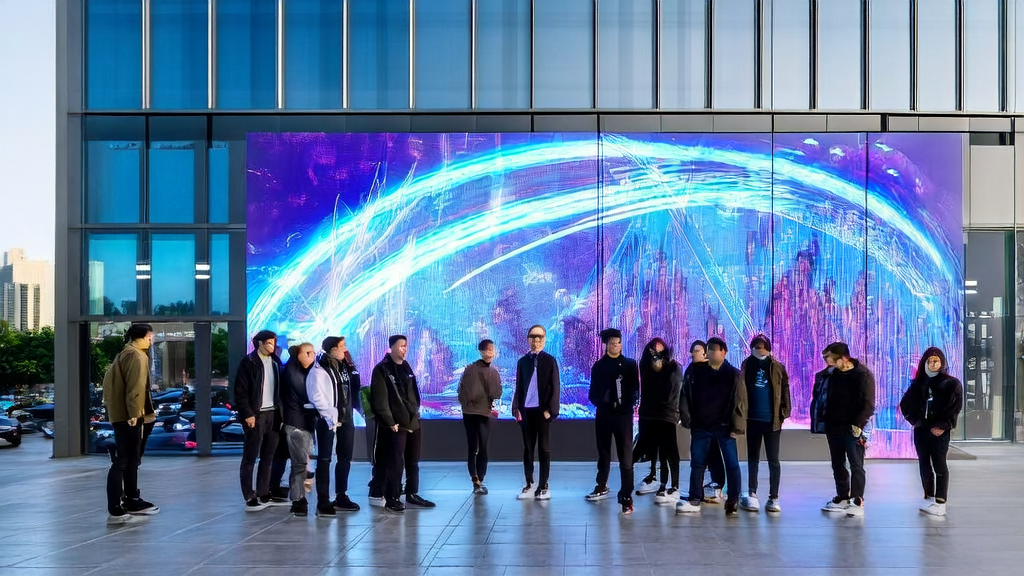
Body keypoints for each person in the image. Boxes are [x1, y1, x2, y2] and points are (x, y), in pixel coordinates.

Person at [677, 337, 746, 516]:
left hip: (724, 427)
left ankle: (733, 499)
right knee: (697, 463)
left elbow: (740, 403)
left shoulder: (733, 374)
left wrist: (736, 427)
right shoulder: (697, 371)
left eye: (715, 349)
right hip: (701, 425)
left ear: (724, 352)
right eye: (709, 349)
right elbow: (686, 394)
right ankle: (695, 498)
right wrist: (687, 418)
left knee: (731, 463)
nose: (711, 352)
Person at [370, 335, 436, 513]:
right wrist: (390, 421)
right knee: (395, 461)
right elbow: (380, 400)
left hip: (412, 420)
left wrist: (416, 412)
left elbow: (413, 393)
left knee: (412, 460)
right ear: (391, 347)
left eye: (406, 346)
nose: (404, 349)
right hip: (396, 424)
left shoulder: (406, 366)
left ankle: (412, 493)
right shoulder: (382, 369)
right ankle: (393, 496)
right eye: (401, 346)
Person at [103, 323, 159, 523]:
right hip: (130, 416)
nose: (152, 339)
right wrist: (134, 414)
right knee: (125, 460)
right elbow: (135, 387)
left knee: (128, 460)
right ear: (143, 336)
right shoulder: (138, 356)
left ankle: (130, 499)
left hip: (122, 414)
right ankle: (121, 505)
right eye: (150, 335)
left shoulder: (124, 353)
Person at [899, 347, 963, 517]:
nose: (933, 364)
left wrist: (943, 426)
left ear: (942, 362)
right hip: (921, 431)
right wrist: (916, 421)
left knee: (940, 465)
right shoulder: (918, 383)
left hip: (940, 432)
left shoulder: (951, 384)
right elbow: (905, 404)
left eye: (936, 360)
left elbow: (955, 408)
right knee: (924, 465)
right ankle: (929, 496)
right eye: (930, 360)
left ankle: (941, 501)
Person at [818, 342, 875, 518]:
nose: (827, 362)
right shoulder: (832, 374)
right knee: (837, 463)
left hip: (853, 428)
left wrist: (858, 425)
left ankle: (857, 499)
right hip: (833, 425)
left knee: (856, 464)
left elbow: (868, 404)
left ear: (843, 358)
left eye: (830, 359)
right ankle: (843, 496)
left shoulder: (862, 375)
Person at [307, 336, 362, 517]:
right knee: (324, 459)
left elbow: (352, 389)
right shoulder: (319, 368)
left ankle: (341, 495)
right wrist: (329, 414)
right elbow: (316, 395)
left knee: (345, 457)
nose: (344, 349)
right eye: (341, 346)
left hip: (346, 417)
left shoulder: (345, 367)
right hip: (327, 418)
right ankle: (323, 500)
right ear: (331, 349)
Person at [587, 328, 639, 515]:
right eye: (612, 343)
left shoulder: (630, 364)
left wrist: (628, 404)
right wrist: (605, 401)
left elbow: (635, 390)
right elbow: (592, 394)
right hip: (604, 415)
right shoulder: (598, 367)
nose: (615, 345)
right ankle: (601, 484)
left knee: (626, 456)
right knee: (604, 452)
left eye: (618, 342)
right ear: (606, 344)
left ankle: (626, 495)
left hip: (624, 417)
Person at [739, 334, 791, 514]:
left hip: (772, 421)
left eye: (762, 347)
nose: (759, 350)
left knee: (773, 460)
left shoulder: (777, 367)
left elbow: (785, 391)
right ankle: (752, 492)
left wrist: (784, 413)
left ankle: (774, 496)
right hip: (752, 419)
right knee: (752, 458)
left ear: (768, 348)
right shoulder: (746, 365)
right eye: (756, 346)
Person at [234, 329, 283, 512]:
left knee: (268, 456)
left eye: (274, 342)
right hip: (256, 415)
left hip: (273, 414)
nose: (273, 345)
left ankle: (264, 492)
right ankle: (249, 495)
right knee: (250, 457)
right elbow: (240, 391)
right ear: (260, 343)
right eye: (269, 342)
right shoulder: (249, 362)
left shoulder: (276, 362)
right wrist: (247, 413)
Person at [512, 324, 561, 501]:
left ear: (545, 339)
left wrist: (551, 411)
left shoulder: (550, 361)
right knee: (528, 449)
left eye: (540, 337)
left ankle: (544, 485)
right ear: (528, 339)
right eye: (533, 337)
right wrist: (516, 408)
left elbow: (556, 387)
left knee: (544, 449)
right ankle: (529, 483)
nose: (536, 340)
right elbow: (519, 386)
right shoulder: (522, 361)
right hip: (526, 412)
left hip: (543, 413)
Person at [637, 338, 682, 505]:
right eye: (652, 352)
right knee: (653, 449)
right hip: (650, 414)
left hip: (666, 415)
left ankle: (673, 486)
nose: (654, 355)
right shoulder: (645, 365)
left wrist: (675, 413)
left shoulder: (673, 368)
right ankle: (656, 479)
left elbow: (673, 393)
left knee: (669, 451)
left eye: (658, 352)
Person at [458, 339, 503, 495]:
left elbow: (463, 393)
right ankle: (478, 481)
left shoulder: (471, 369)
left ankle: (477, 481)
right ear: (482, 351)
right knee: (479, 447)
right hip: (480, 413)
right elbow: (495, 393)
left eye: (492, 349)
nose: (491, 352)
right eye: (489, 349)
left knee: (476, 447)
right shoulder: (486, 371)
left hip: (473, 413)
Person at [280, 343, 317, 516]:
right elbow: (306, 395)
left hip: (303, 422)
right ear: (298, 354)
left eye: (313, 353)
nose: (312, 356)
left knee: (301, 463)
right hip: (296, 423)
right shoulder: (293, 372)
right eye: (308, 353)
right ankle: (298, 500)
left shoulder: (301, 370)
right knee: (299, 464)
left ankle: (298, 499)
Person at [686, 340, 723, 504]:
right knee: (698, 458)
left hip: (712, 422)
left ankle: (717, 487)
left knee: (713, 454)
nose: (694, 353)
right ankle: (696, 492)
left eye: (698, 350)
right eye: (693, 351)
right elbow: (685, 394)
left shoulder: (714, 369)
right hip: (697, 422)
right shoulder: (690, 371)